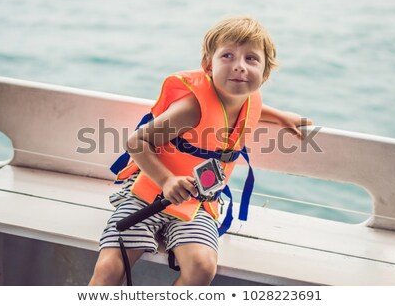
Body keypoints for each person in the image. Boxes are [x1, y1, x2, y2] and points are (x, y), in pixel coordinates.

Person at [89, 16, 312, 286]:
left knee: (203, 267)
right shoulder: (190, 109)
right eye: (228, 56)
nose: (239, 66)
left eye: (251, 59)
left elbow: (245, 106)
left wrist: (280, 117)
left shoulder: (247, 100)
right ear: (208, 65)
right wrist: (167, 180)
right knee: (110, 267)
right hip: (148, 196)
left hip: (199, 204)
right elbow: (137, 142)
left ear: (265, 73)